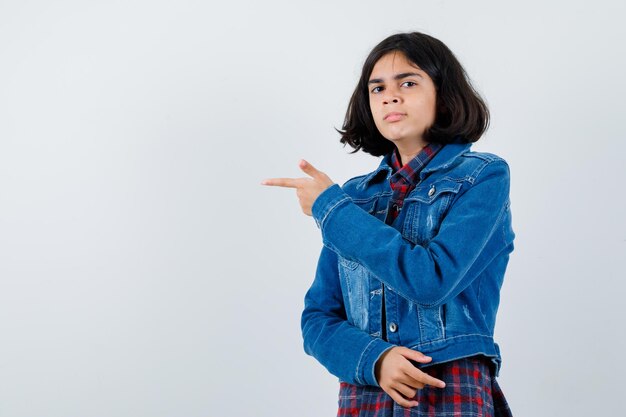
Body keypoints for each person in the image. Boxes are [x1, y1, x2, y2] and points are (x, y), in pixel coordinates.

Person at [262, 31, 515, 416]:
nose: (390, 97)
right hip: (367, 395)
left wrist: (331, 209)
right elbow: (317, 320)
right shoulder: (355, 197)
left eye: (408, 83)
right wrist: (375, 360)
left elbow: (430, 281)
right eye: (377, 88)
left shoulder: (483, 177)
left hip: (448, 391)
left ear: (443, 95)